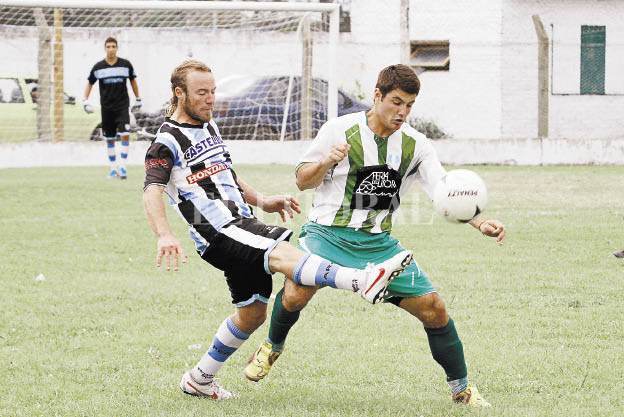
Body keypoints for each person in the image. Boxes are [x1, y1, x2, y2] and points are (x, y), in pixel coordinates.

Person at [142, 59, 413, 400]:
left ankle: (200, 378)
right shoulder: (165, 141)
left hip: (240, 223)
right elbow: (152, 188)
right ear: (179, 94)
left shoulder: (207, 126)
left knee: (253, 313)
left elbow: (225, 172)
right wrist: (164, 234)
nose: (211, 98)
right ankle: (361, 280)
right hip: (217, 230)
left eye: (213, 91)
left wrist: (262, 199)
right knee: (285, 254)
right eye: (201, 93)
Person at [244, 64, 506, 408]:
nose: (403, 112)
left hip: (378, 244)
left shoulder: (416, 145)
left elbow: (443, 191)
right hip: (327, 234)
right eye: (396, 102)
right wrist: (326, 162)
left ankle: (462, 390)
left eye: (410, 105)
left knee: (434, 309)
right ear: (377, 95)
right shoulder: (339, 130)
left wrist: (478, 220)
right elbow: (303, 181)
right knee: (296, 291)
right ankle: (271, 347)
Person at [83, 37, 141, 179]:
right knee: (109, 139)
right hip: (106, 108)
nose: (111, 49)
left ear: (117, 48)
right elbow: (90, 83)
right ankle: (113, 168)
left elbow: (133, 81)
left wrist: (138, 98)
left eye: (113, 46)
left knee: (125, 135)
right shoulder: (98, 67)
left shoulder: (125, 65)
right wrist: (85, 100)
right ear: (105, 48)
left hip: (122, 107)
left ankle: (122, 166)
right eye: (108, 46)